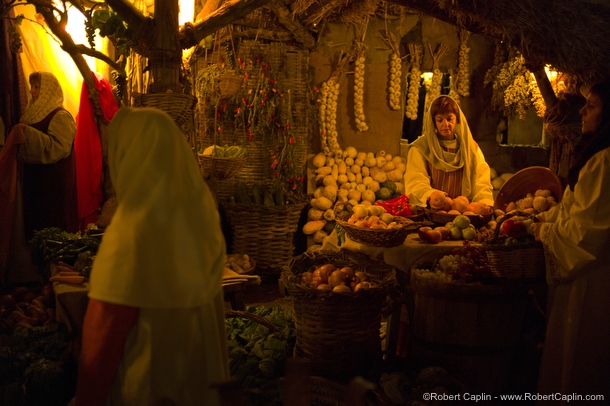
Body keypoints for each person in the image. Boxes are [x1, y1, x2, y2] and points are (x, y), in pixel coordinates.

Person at [72, 107, 230, 406]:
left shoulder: (132, 231)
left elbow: (103, 332)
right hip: (202, 393)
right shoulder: (203, 219)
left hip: (150, 394)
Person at [533, 80, 610, 399]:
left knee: (578, 358)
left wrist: (544, 231)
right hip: (590, 277)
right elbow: (577, 209)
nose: (583, 110)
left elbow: (586, 232)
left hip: (592, 282)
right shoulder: (599, 153)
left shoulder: (605, 160)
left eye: (591, 105)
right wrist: (548, 219)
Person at [0, 71, 78, 285]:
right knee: (33, 230)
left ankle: (53, 283)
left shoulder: (61, 116)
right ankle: (36, 281)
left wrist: (26, 133)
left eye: (37, 87)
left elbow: (58, 148)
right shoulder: (33, 113)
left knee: (52, 231)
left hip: (52, 185)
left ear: (49, 89)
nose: (33, 92)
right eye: (32, 87)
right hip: (36, 184)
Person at [404, 95, 494, 209]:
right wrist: (430, 195)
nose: (445, 124)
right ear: (433, 122)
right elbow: (416, 179)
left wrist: (483, 204)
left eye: (449, 119)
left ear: (457, 119)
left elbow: (481, 181)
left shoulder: (471, 148)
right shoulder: (421, 148)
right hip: (431, 211)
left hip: (464, 212)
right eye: (440, 120)